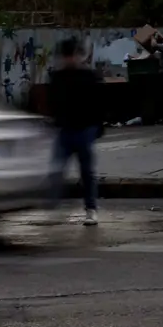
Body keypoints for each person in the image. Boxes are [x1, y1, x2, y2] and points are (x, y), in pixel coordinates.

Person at [48, 38, 105, 225]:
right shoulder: (58, 77)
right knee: (56, 168)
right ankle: (51, 204)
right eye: (66, 56)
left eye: (72, 55)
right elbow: (54, 103)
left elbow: (98, 103)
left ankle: (91, 209)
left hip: (85, 128)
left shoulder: (88, 76)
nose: (69, 60)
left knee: (87, 172)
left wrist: (98, 127)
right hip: (66, 129)